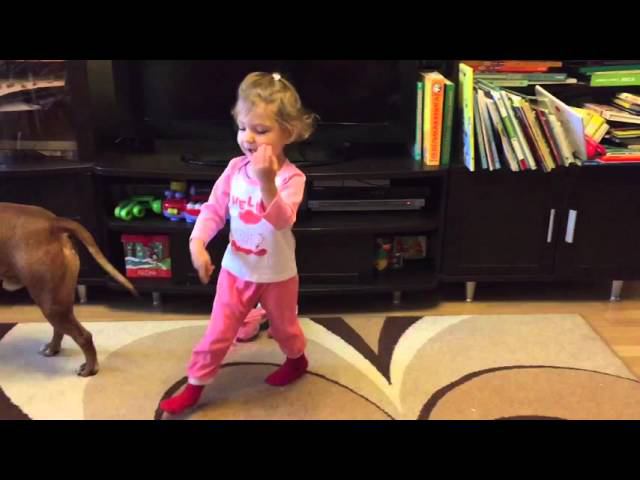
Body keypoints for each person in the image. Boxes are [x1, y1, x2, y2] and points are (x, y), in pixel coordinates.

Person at [160, 72, 315, 415]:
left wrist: (266, 183)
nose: (249, 137)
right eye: (243, 127)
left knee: (285, 330)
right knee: (218, 332)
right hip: (236, 269)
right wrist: (197, 242)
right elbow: (214, 209)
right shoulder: (234, 169)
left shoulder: (292, 178)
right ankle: (195, 386)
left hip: (277, 275)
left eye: (261, 130)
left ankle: (297, 360)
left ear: (288, 132)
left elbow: (283, 220)